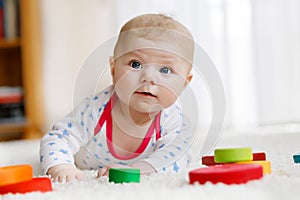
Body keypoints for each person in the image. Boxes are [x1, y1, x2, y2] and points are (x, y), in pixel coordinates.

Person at [40, 13, 195, 182]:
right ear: (113, 70)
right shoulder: (95, 108)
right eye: (136, 64)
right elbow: (57, 138)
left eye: (165, 70)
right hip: (86, 165)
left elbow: (176, 158)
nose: (148, 77)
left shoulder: (175, 120)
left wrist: (137, 170)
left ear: (184, 84)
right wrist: (62, 167)